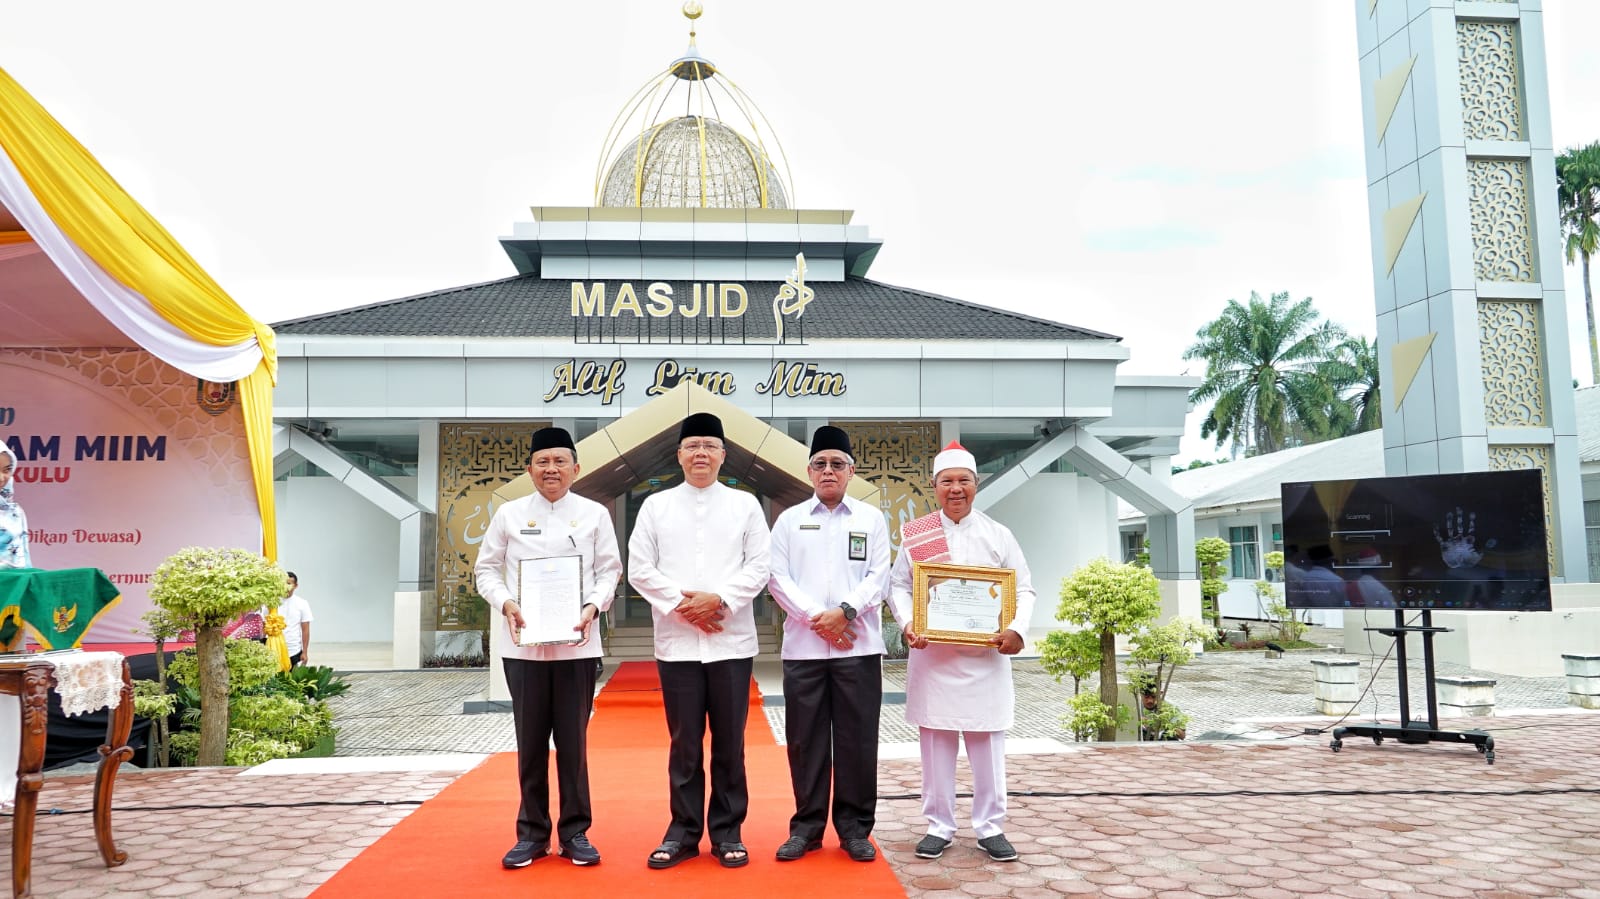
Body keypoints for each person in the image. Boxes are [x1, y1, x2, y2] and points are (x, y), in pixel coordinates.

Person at [628, 412, 770, 870]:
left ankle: (728, 832)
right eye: (693, 446)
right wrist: (685, 606)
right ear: (680, 455)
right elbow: (639, 569)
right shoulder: (656, 506)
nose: (701, 454)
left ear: (723, 455)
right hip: (678, 646)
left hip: (731, 645)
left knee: (730, 744)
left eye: (710, 446)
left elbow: (759, 566)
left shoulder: (746, 505)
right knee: (685, 744)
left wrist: (721, 600)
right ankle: (683, 833)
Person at [475, 426, 622, 869]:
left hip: (577, 645)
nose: (551, 469)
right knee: (531, 742)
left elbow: (609, 571)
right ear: (530, 469)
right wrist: (507, 602)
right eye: (543, 461)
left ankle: (576, 832)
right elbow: (486, 570)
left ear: (576, 468)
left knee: (573, 744)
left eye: (560, 461)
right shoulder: (510, 514)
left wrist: (593, 607)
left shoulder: (594, 514)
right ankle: (532, 834)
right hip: (523, 648)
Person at [888, 440, 1035, 863]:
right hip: (934, 658)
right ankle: (939, 825)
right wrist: (909, 622)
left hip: (985, 658)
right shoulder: (919, 533)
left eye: (964, 481)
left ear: (976, 484)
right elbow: (899, 585)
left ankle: (991, 827)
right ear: (934, 486)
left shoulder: (998, 534)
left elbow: (1023, 588)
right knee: (935, 744)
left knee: (987, 745)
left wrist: (1014, 629)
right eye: (947, 481)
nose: (956, 488)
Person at [768, 425, 891, 864]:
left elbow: (880, 576)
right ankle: (806, 828)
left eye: (837, 464)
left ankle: (856, 829)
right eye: (820, 464)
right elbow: (776, 577)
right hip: (804, 651)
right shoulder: (788, 520)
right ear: (809, 471)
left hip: (857, 649)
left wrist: (846, 613)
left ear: (851, 471)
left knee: (858, 742)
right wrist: (817, 620)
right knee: (805, 741)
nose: (828, 471)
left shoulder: (870, 519)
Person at [0, 440, 31, 570]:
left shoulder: (16, 512)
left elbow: (24, 558)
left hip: (13, 587)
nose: (2, 478)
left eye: (6, 470)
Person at [279, 572, 314, 667]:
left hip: (294, 649)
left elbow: (305, 629)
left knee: (292, 680)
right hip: (275, 649)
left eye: (289, 583)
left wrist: (305, 652)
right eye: (283, 583)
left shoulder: (302, 603)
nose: (286, 586)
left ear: (296, 585)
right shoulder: (271, 602)